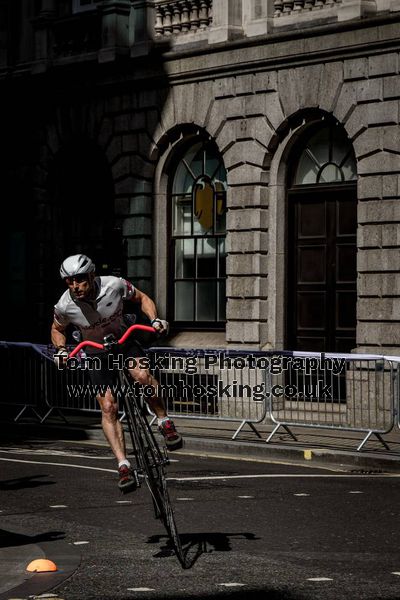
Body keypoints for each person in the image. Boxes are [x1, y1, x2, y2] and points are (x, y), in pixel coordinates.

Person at [51, 254, 182, 493]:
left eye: (79, 279)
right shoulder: (64, 305)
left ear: (91, 275)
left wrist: (154, 320)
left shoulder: (114, 284)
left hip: (123, 340)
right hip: (95, 352)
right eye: (69, 281)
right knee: (109, 406)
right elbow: (57, 329)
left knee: (142, 377)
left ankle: (164, 421)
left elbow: (142, 298)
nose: (75, 286)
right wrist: (60, 350)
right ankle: (123, 465)